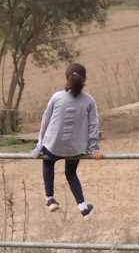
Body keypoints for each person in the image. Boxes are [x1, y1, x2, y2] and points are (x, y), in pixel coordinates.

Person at [32, 63, 102, 219]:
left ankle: (50, 199)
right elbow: (93, 126)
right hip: (76, 149)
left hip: (53, 146)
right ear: (84, 80)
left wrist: (39, 146)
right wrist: (94, 148)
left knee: (48, 163)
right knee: (71, 173)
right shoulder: (89, 101)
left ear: (66, 78)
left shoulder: (56, 97)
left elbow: (45, 122)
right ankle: (84, 208)